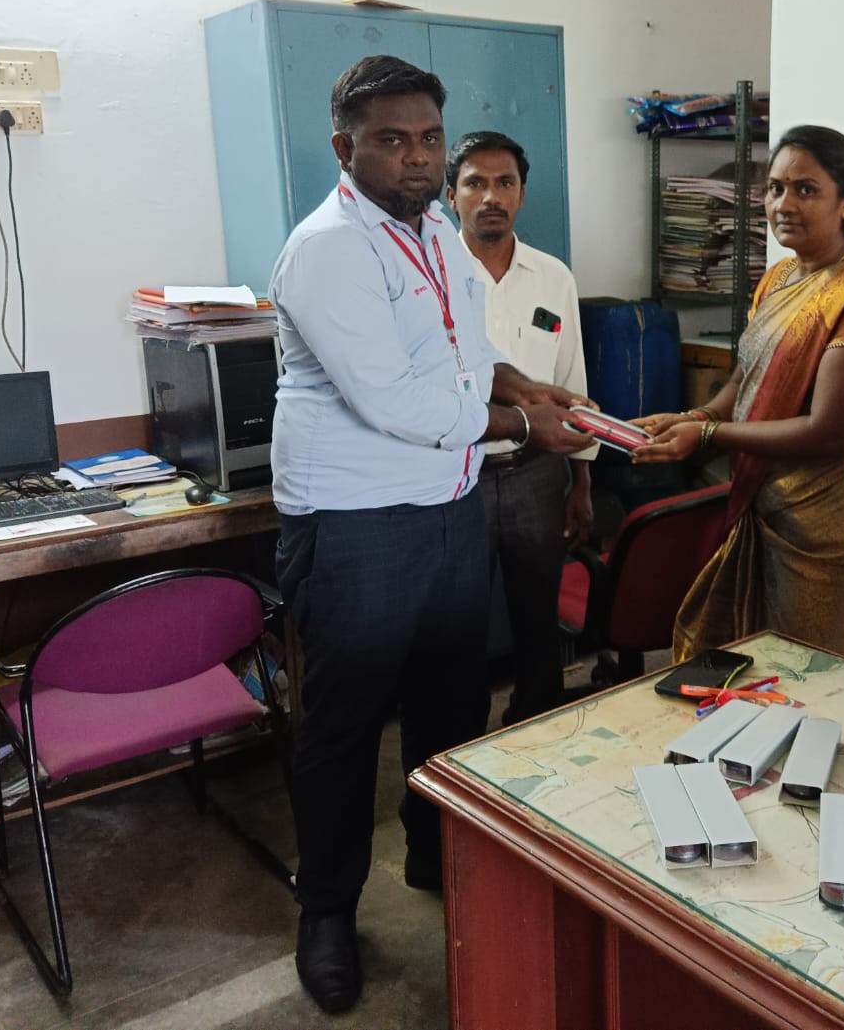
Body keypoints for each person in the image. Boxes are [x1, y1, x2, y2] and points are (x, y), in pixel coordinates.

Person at [267, 54, 594, 1015]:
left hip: (448, 508)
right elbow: (399, 402)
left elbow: (467, 351)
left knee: (449, 706)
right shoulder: (327, 249)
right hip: (356, 520)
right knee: (344, 728)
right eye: (391, 139)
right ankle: (327, 911)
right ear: (345, 148)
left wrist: (524, 384)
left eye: (428, 138)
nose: (415, 157)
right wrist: (524, 425)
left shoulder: (434, 232)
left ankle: (431, 852)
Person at [632, 125, 844, 662]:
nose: (784, 204)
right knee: (754, 667)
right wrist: (692, 417)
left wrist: (709, 435)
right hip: (764, 504)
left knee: (817, 672)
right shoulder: (778, 277)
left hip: (822, 525)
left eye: (806, 190)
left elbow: (829, 432)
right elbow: (745, 381)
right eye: (776, 188)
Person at [446, 130, 598, 723]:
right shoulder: (435, 274)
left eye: (504, 183)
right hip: (458, 475)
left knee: (538, 616)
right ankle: (461, 741)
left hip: (538, 473)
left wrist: (580, 481)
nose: (491, 196)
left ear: (522, 194)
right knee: (458, 623)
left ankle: (538, 724)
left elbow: (571, 376)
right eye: (475, 183)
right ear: (451, 195)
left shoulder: (552, 276)